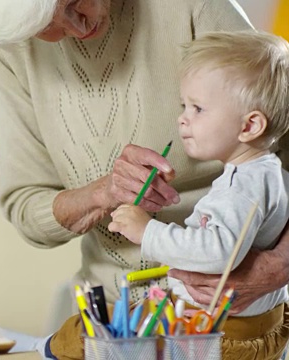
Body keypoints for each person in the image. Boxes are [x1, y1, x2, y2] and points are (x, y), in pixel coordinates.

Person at [0, 0, 289, 358]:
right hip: (117, 315)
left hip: (213, 318)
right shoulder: (10, 38)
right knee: (63, 344)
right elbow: (26, 205)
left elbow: (271, 125)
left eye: (73, 2)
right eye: (48, 28)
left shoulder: (193, 6)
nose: (79, 27)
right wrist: (103, 193)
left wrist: (279, 265)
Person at [108, 30, 289, 358]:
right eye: (184, 105)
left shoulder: (241, 188)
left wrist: (147, 230)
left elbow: (218, 252)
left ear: (249, 127)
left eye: (198, 109)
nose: (183, 118)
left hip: (224, 334)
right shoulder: (268, 172)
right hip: (245, 323)